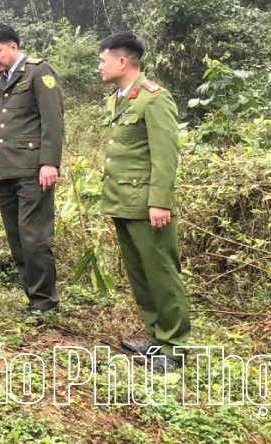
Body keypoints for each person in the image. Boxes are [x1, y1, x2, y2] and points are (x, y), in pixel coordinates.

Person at [98, 32, 190, 372]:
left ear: (122, 61)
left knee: (162, 274)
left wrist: (160, 202)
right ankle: (157, 338)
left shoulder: (154, 99)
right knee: (141, 275)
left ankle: (175, 347)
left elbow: (165, 156)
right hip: (123, 202)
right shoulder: (121, 99)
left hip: (148, 205)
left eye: (102, 60)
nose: (99, 67)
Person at [0, 25, 64, 317]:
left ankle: (45, 300)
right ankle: (33, 297)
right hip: (5, 171)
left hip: (33, 169)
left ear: (13, 46)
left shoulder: (38, 72)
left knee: (35, 236)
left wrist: (49, 162)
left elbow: (52, 120)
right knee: (16, 237)